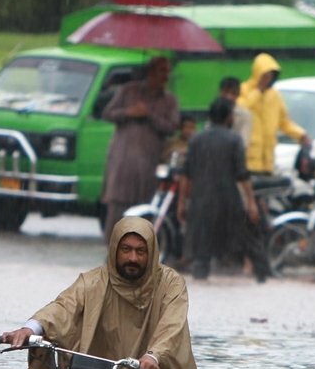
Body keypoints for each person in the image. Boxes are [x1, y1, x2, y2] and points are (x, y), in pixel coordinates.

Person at [0, 217, 200, 369]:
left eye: (141, 251)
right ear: (114, 249)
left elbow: (172, 325)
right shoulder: (93, 281)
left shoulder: (170, 283)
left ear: (152, 253)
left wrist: (153, 355)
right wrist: (31, 329)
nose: (133, 258)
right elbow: (63, 307)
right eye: (126, 249)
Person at [176, 98, 268, 283]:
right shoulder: (234, 140)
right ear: (228, 117)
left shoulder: (196, 140)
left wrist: (181, 203)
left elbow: (186, 174)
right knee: (243, 238)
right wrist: (251, 202)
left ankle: (201, 276)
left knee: (202, 250)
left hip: (201, 200)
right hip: (227, 199)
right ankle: (261, 275)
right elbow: (242, 174)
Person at [101, 56, 180, 241]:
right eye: (162, 72)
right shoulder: (128, 91)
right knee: (118, 205)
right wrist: (129, 112)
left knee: (144, 207)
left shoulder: (169, 100)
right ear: (151, 72)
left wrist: (149, 115)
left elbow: (171, 127)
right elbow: (107, 113)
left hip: (149, 163)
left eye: (167, 73)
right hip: (123, 161)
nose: (166, 77)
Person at [237, 53, 311, 175]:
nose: (268, 79)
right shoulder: (244, 90)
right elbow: (240, 110)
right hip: (247, 161)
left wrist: (300, 134)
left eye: (271, 76)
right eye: (265, 75)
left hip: (268, 162)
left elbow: (284, 122)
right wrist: (258, 91)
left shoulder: (275, 96)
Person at [218, 76, 253, 147]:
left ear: (238, 95)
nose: (229, 97)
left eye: (233, 93)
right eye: (226, 92)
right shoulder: (215, 111)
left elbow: (243, 143)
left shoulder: (245, 116)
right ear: (220, 93)